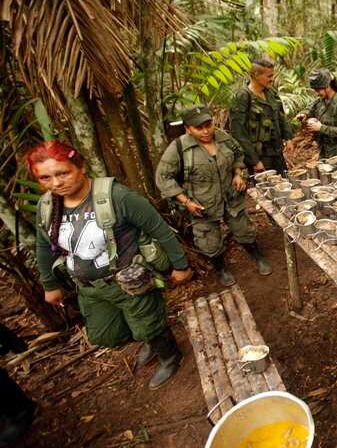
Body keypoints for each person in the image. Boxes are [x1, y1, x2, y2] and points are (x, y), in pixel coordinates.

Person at [30, 141, 192, 389]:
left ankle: (170, 356)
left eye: (63, 173)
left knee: (149, 326)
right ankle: (147, 338)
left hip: (128, 281)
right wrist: (49, 284)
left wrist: (180, 266)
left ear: (80, 166)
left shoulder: (118, 197)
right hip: (90, 288)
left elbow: (159, 229)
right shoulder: (47, 206)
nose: (56, 183)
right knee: (106, 335)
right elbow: (44, 245)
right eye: (45, 178)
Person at [156, 105, 272, 287]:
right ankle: (220, 269)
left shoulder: (223, 138)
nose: (206, 131)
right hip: (202, 205)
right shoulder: (178, 148)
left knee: (244, 230)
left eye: (208, 125)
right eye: (198, 128)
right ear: (188, 129)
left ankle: (256, 256)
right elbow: (163, 178)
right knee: (209, 241)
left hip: (231, 198)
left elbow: (238, 154)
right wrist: (186, 202)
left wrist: (236, 173)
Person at [229, 58, 293, 174]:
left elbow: (281, 116)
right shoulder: (243, 97)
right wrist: (254, 161)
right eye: (269, 76)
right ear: (256, 75)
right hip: (259, 156)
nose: (272, 79)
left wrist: (288, 138)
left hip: (277, 153)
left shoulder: (271, 92)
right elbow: (238, 132)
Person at [298, 69, 337, 159]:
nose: (317, 94)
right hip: (324, 148)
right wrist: (304, 114)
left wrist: (321, 128)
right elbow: (309, 109)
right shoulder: (320, 101)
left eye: (318, 90)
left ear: (327, 86)